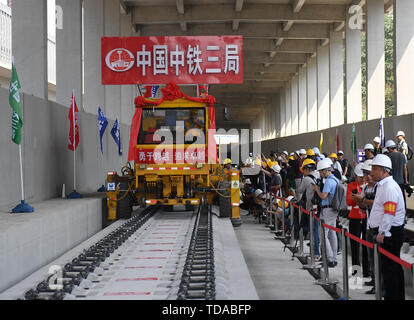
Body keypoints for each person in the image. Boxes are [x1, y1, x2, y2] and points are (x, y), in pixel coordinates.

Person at [368, 154, 406, 300]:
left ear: (384, 170)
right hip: (387, 232)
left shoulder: (389, 187)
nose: (371, 172)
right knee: (391, 269)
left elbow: (389, 212)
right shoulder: (383, 186)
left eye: (374, 168)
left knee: (391, 270)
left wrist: (382, 232)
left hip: (389, 234)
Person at [313, 159, 340, 267]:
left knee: (323, 234)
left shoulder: (329, 181)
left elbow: (323, 196)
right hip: (334, 210)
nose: (320, 174)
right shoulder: (336, 179)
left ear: (325, 170)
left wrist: (316, 190)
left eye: (320, 171)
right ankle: (333, 257)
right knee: (332, 234)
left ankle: (329, 259)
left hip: (328, 209)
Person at [346, 163, 369, 277]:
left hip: (365, 218)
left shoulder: (368, 186)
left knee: (366, 245)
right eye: (360, 177)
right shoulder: (351, 186)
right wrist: (360, 199)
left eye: (363, 177)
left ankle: (367, 270)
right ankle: (356, 269)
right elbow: (349, 201)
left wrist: (358, 198)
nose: (362, 179)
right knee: (354, 245)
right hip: (354, 217)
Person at [297, 159, 320, 261]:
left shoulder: (306, 179)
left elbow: (300, 190)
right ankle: (317, 252)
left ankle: (315, 253)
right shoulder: (318, 175)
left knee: (313, 230)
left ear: (306, 169)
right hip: (319, 207)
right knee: (317, 230)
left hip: (310, 208)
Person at [386, 140, 408, 210]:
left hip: (392, 183)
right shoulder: (402, 155)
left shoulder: (389, 157)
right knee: (402, 199)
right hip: (401, 182)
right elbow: (405, 169)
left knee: (393, 200)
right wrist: (406, 181)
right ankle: (404, 213)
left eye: (387, 149)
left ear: (389, 148)